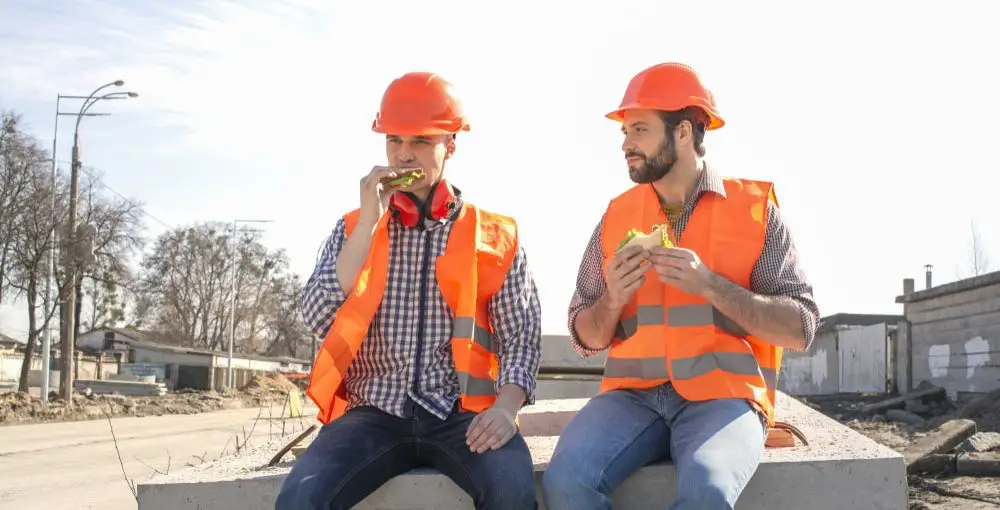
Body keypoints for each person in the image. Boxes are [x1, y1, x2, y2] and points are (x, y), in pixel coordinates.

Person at [540, 62, 820, 510]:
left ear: (684, 132)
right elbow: (586, 338)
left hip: (724, 397)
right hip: (631, 398)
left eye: (639, 130)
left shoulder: (753, 210)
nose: (626, 144)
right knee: (566, 481)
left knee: (706, 491)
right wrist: (612, 298)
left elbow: (800, 327)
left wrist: (711, 284)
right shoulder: (616, 217)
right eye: (625, 132)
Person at [275, 71, 541, 510]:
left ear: (450, 145)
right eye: (394, 141)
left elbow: (521, 336)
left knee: (511, 491)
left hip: (462, 413)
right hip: (371, 413)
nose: (403, 155)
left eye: (419, 142)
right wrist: (367, 224)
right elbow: (317, 315)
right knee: (301, 500)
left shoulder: (493, 235)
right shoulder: (354, 227)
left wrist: (506, 408)